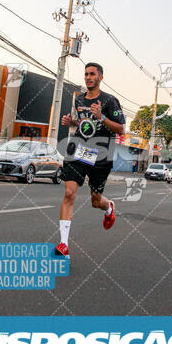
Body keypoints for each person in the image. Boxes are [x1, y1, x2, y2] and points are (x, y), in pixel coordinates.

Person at [56, 63, 125, 257]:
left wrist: (102, 116)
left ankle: (108, 207)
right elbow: (85, 123)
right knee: (69, 193)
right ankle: (63, 244)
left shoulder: (110, 101)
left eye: (92, 74)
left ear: (100, 77)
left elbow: (120, 129)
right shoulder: (79, 99)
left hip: (101, 153)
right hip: (78, 148)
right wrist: (73, 122)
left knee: (96, 201)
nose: (88, 77)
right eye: (86, 74)